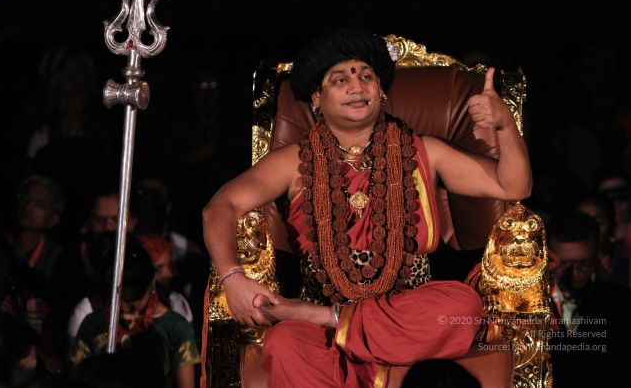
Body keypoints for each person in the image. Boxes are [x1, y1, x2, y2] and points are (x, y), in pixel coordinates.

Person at [202, 28, 531, 386]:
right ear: (316, 98)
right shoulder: (293, 161)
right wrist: (232, 277)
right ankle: (329, 321)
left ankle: (326, 316)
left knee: (460, 307)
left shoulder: (425, 151)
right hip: (324, 333)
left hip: (402, 315)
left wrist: (504, 125)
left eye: (366, 76)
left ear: (382, 91)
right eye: (340, 79)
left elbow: (512, 185)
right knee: (284, 342)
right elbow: (220, 207)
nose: (357, 87)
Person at [70, 242, 200, 388]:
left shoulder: (175, 327)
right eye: (121, 301)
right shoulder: (94, 323)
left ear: (151, 283)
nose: (127, 310)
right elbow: (78, 377)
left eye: (134, 302)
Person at [547, 210, 631, 387]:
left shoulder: (620, 301)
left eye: (582, 263)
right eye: (564, 263)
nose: (574, 272)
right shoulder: (533, 300)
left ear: (595, 255)